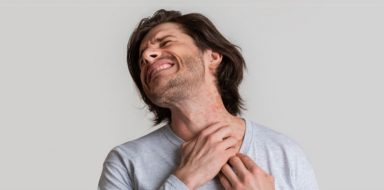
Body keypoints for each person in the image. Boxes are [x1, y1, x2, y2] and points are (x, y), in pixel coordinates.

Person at [98, 9, 318, 190]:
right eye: (142, 60)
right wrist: (184, 180)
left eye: (165, 42)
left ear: (212, 56)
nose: (147, 56)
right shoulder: (126, 162)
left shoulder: (284, 153)